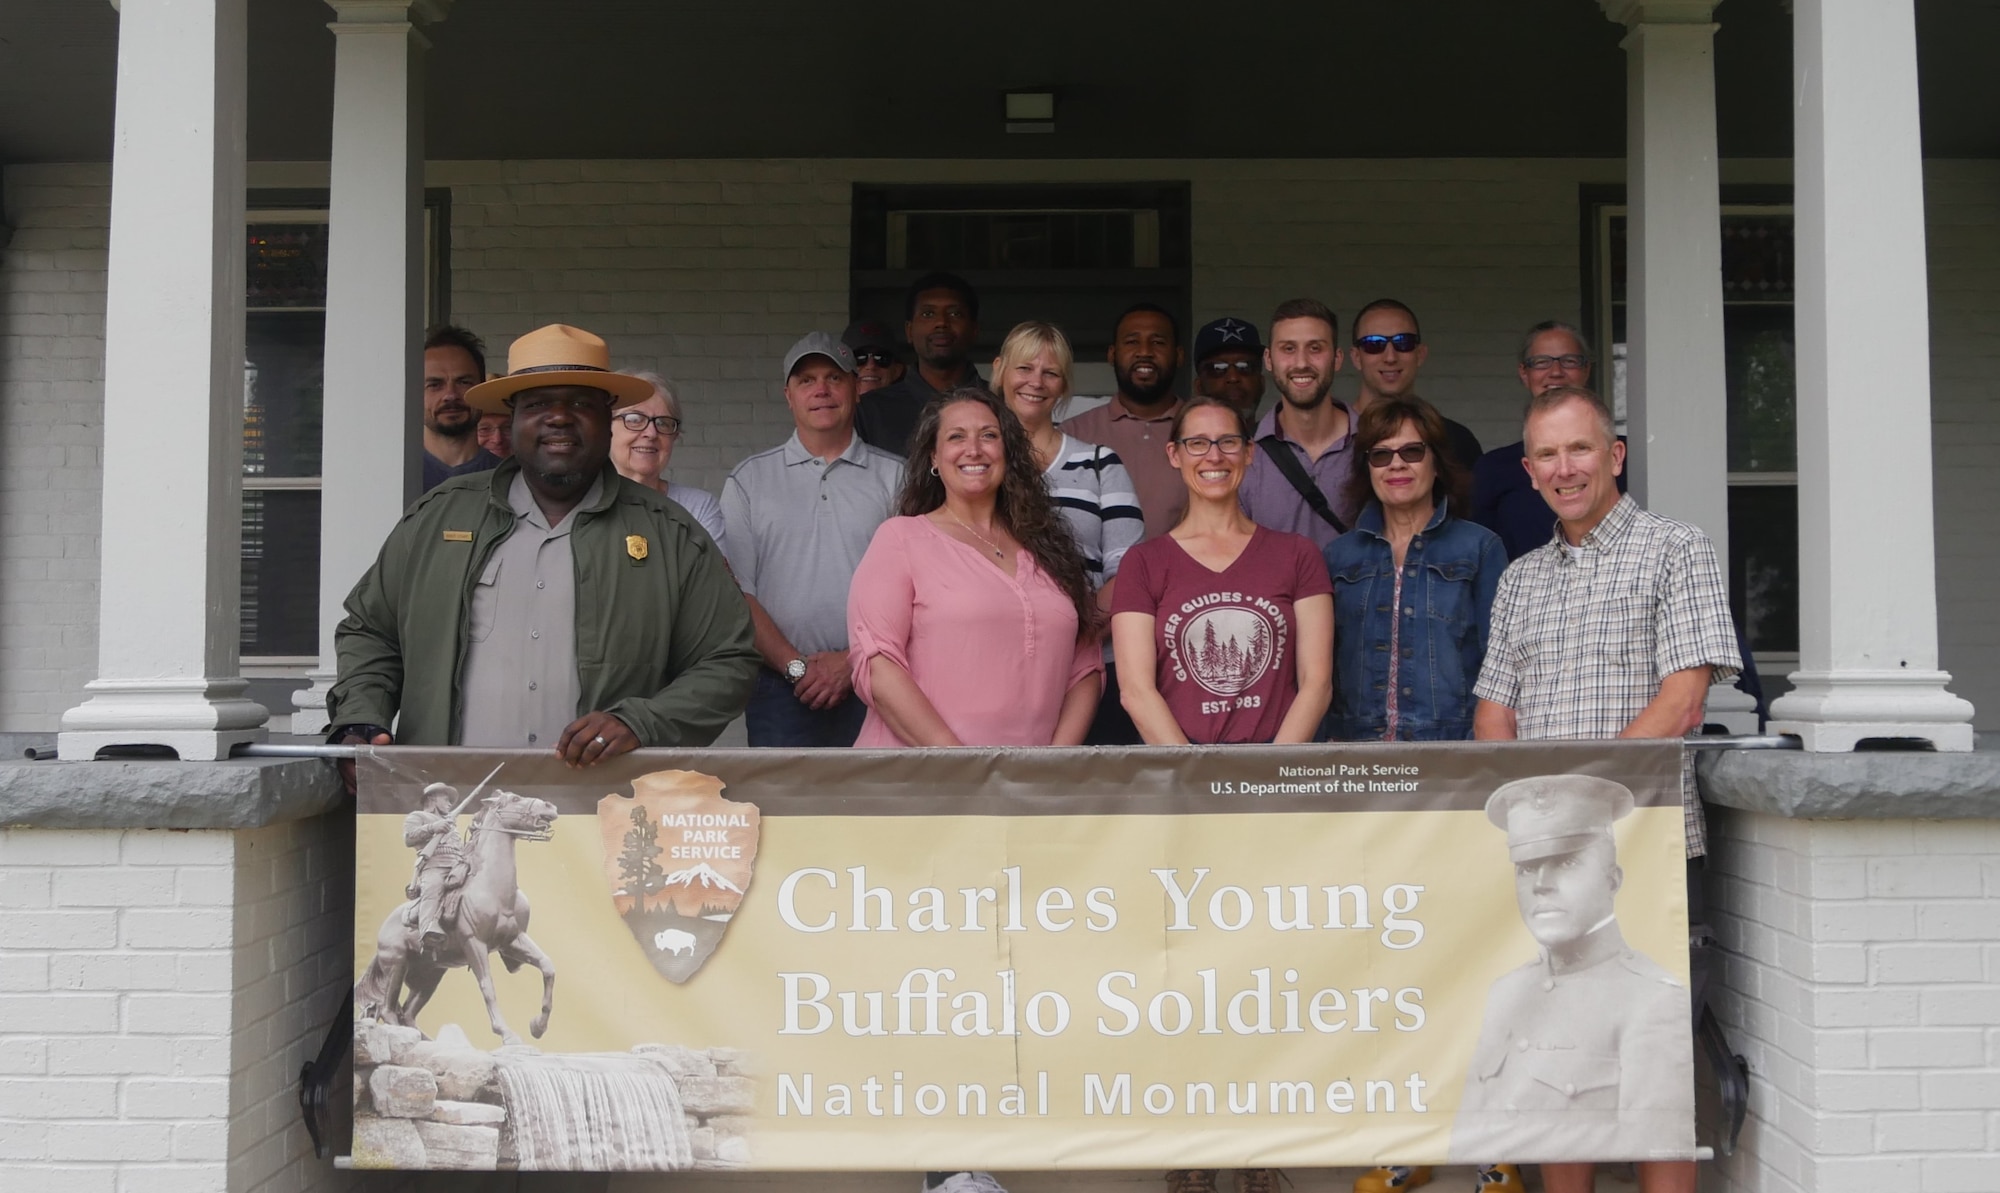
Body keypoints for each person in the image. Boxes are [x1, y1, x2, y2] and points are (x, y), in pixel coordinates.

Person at [1473, 385, 1741, 1193]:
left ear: (1614, 454)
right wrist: (1542, 816)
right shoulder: (1520, 578)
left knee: (1655, 1062)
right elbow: (1493, 714)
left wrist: (1574, 800)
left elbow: (1684, 698)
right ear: (1528, 471)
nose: (1565, 468)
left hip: (1649, 847)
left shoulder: (1675, 548)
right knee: (1559, 1056)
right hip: (1550, 858)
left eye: (1579, 449)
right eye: (1547, 456)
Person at [327, 322, 760, 779]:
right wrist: (360, 718)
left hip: (603, 810)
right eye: (537, 405)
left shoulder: (670, 534)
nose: (558, 417)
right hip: (450, 807)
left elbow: (728, 660)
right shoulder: (439, 519)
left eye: (579, 403)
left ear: (606, 417)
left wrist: (642, 723)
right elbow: (370, 630)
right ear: (512, 419)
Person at [1450, 776, 1693, 1168]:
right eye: (1527, 868)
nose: (1542, 885)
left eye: (1566, 862)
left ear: (1612, 879)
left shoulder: (1652, 1000)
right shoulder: (1506, 991)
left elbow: (1659, 1148)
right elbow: (1468, 1141)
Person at [847, 386, 1103, 747]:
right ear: (934, 457)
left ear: (1007, 451)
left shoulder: (1050, 549)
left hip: (1029, 789)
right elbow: (877, 664)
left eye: (988, 435)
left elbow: (1085, 668)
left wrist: (1053, 768)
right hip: (922, 783)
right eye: (956, 437)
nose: (974, 449)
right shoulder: (902, 539)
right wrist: (961, 767)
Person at [1112, 397, 1333, 746]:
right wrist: (1196, 780)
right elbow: (1136, 691)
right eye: (1197, 443)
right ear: (1174, 454)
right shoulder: (1142, 563)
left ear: (1249, 452)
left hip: (1275, 769)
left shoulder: (1298, 555)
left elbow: (1317, 683)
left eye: (1228, 442)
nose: (1214, 456)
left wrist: (1269, 777)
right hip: (1182, 775)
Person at [722, 332, 901, 747]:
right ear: (788, 395)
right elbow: (737, 594)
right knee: (783, 810)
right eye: (806, 381)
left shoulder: (898, 478)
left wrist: (851, 662)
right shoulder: (749, 480)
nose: (821, 390)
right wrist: (797, 669)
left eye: (834, 379)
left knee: (876, 809)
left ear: (856, 388)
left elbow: (914, 593)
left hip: (878, 682)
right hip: (779, 691)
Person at [993, 321, 1145, 745]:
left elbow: (1129, 571)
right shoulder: (977, 462)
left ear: (1063, 386)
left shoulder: (1100, 463)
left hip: (1094, 661)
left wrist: (1072, 637)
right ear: (1000, 371)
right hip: (999, 667)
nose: (1035, 382)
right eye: (1024, 368)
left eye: (1051, 373)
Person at [1323, 396, 1507, 742]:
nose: (1396, 465)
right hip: (1356, 756)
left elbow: (1500, 668)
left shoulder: (1480, 548)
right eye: (1380, 455)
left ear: (1436, 463)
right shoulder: (1337, 556)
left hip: (1452, 756)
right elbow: (1320, 672)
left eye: (1412, 452)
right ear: (1368, 469)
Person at [1471, 322, 1602, 561]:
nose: (1555, 371)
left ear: (1586, 369)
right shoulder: (1493, 468)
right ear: (1524, 373)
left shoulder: (1621, 458)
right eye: (1541, 362)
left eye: (1569, 361)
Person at [1237, 298, 1357, 553]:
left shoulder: (1375, 445)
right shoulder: (1243, 454)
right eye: (1288, 349)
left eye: (1315, 348)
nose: (1301, 362)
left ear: (1337, 358)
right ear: (1268, 359)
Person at [1061, 303, 1188, 539]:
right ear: (1112, 354)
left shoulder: (1204, 432)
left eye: (1158, 342)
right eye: (1132, 342)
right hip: (1099, 575)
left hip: (1186, 573)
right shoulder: (1074, 433)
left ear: (1179, 355)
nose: (1145, 352)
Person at [855, 272, 982, 455]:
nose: (941, 323)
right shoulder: (869, 412)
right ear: (909, 331)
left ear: (974, 330)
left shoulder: (1000, 404)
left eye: (955, 313)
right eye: (928, 313)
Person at [1347, 298, 1482, 469]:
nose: (1390, 357)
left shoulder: (1455, 440)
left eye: (1403, 342)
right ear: (1356, 357)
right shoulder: (1333, 441)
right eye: (1374, 344)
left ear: (1420, 354)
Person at [609, 369, 727, 551]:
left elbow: (714, 578)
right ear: (605, 428)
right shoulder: (580, 503)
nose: (651, 433)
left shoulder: (697, 508)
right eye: (634, 419)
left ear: (675, 436)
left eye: (663, 422)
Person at [421, 325, 503, 492]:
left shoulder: (509, 480)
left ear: (481, 388)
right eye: (435, 385)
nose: (451, 395)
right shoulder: (392, 476)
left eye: (464, 382)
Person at [402, 782, 468, 951]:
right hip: (435, 865)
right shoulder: (417, 816)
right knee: (433, 888)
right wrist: (433, 827)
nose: (450, 803)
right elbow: (409, 838)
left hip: (459, 865)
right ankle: (428, 931)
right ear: (432, 799)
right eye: (446, 799)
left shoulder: (451, 823)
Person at [1191, 316, 1266, 420]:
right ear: (1198, 387)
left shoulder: (1284, 436)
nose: (1233, 378)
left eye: (1245, 366)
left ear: (1262, 384)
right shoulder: (1183, 436)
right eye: (1217, 368)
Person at [843, 319, 905, 396]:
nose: (871, 366)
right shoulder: (825, 405)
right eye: (859, 357)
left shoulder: (914, 407)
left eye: (881, 358)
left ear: (896, 371)